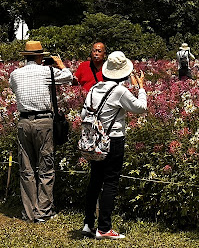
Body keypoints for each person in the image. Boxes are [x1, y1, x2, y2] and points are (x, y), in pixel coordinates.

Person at [82, 51, 148, 240]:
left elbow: (83, 116)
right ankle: (104, 228)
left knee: (95, 180)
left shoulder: (94, 89)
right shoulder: (119, 91)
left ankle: (88, 223)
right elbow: (140, 108)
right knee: (110, 181)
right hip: (113, 140)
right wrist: (141, 88)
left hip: (94, 141)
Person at [9, 40, 73, 223]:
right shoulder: (48, 71)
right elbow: (68, 77)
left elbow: (14, 89)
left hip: (23, 121)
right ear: (39, 56)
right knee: (46, 167)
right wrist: (60, 64)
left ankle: (29, 213)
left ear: (26, 56)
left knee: (26, 168)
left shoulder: (15, 74)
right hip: (44, 121)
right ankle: (43, 212)